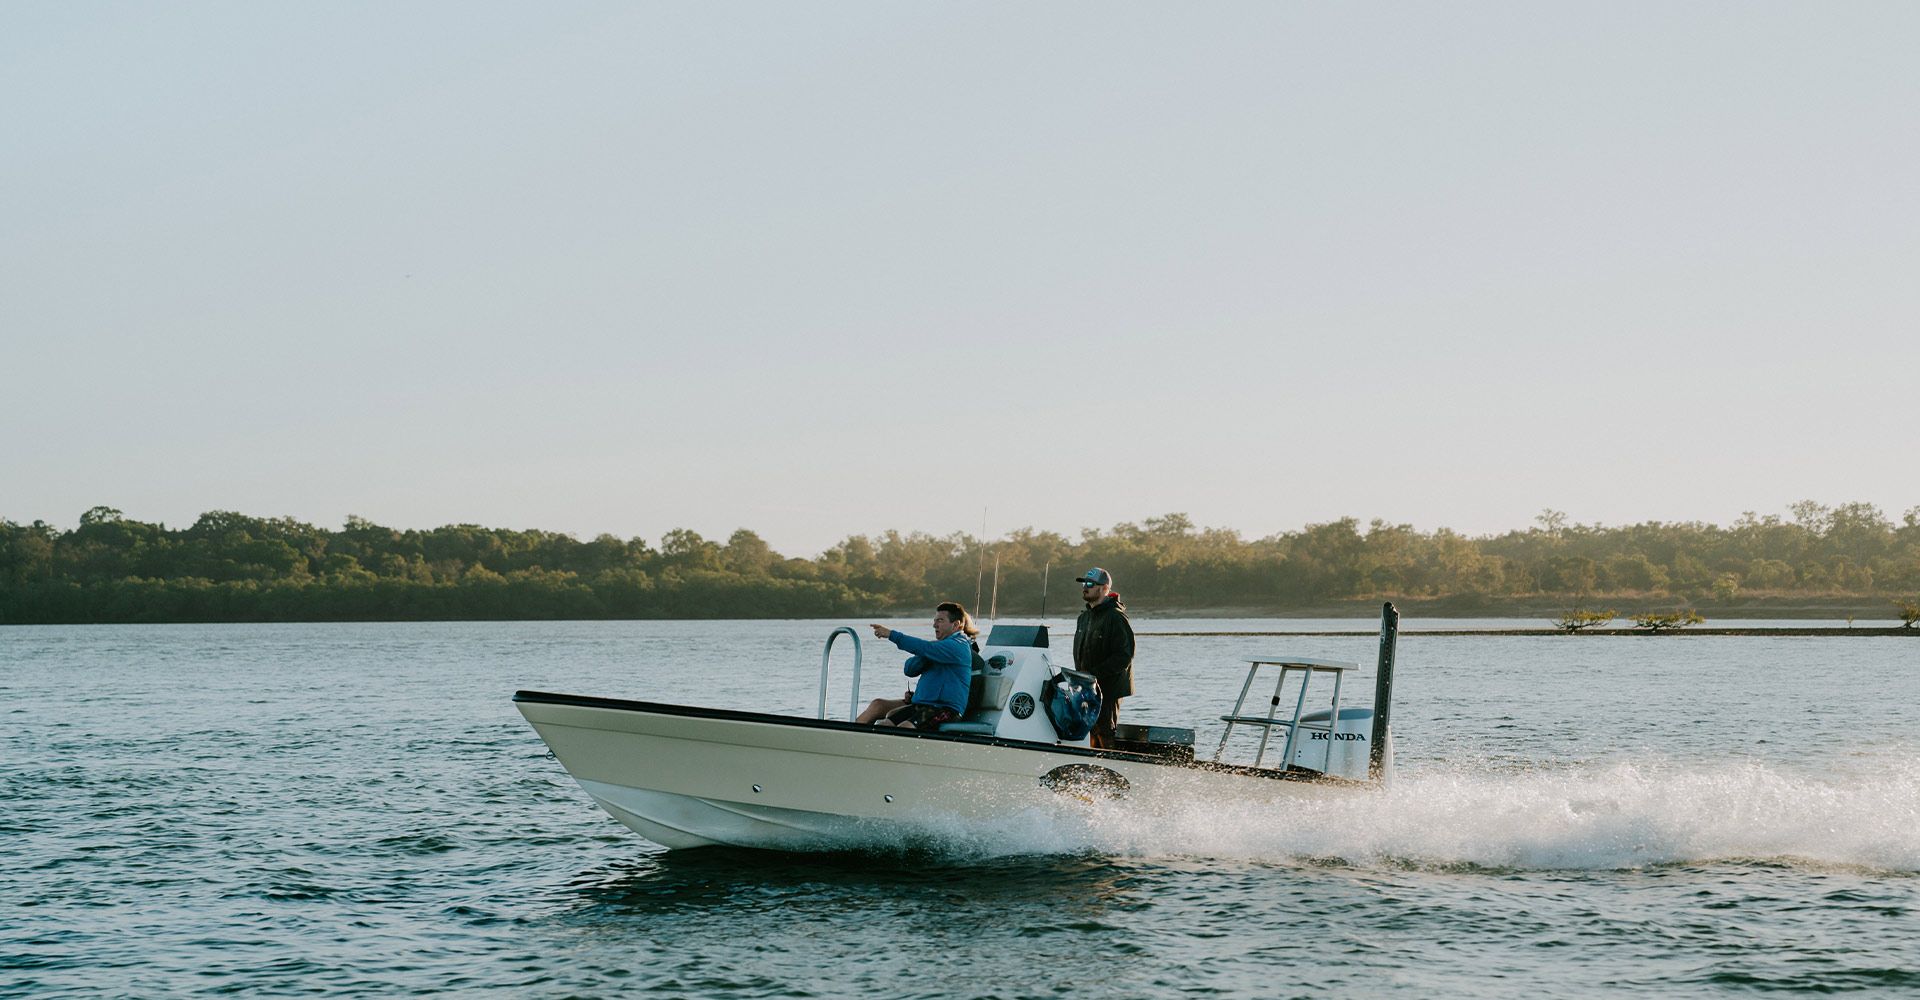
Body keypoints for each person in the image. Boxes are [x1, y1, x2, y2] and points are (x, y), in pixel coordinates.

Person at [855, 601, 978, 730]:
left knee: (904, 727)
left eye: (940, 620)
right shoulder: (937, 648)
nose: (934, 625)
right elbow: (909, 669)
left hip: (945, 709)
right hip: (923, 705)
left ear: (956, 625)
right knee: (885, 725)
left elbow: (925, 647)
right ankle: (852, 739)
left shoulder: (958, 646)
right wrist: (925, 654)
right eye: (934, 620)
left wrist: (892, 635)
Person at [1072, 567, 1134, 749]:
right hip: (1086, 687)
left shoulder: (1116, 617)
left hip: (1109, 687)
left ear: (1104, 588)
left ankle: (1110, 770)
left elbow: (1124, 656)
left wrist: (1093, 674)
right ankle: (1092, 769)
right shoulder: (1083, 618)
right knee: (1088, 729)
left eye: (1090, 584)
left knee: (1105, 730)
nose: (1085, 587)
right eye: (1084, 583)